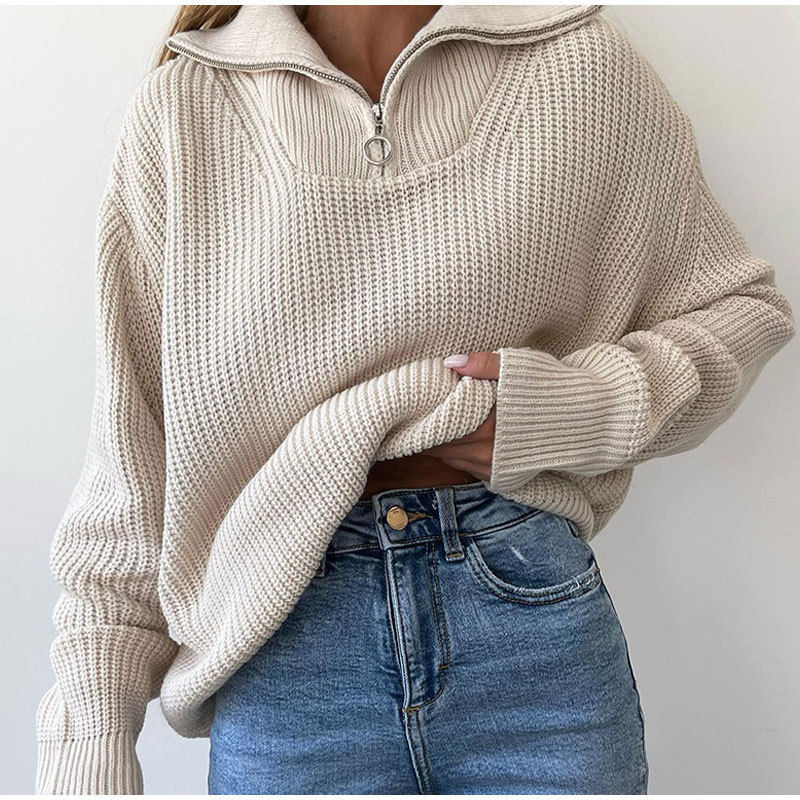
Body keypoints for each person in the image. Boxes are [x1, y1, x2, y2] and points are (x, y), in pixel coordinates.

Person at [35, 4, 795, 795]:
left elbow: (739, 311)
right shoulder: (183, 110)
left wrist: (557, 411)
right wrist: (89, 734)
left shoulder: (580, 66)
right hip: (284, 660)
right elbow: (132, 471)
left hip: (530, 640)